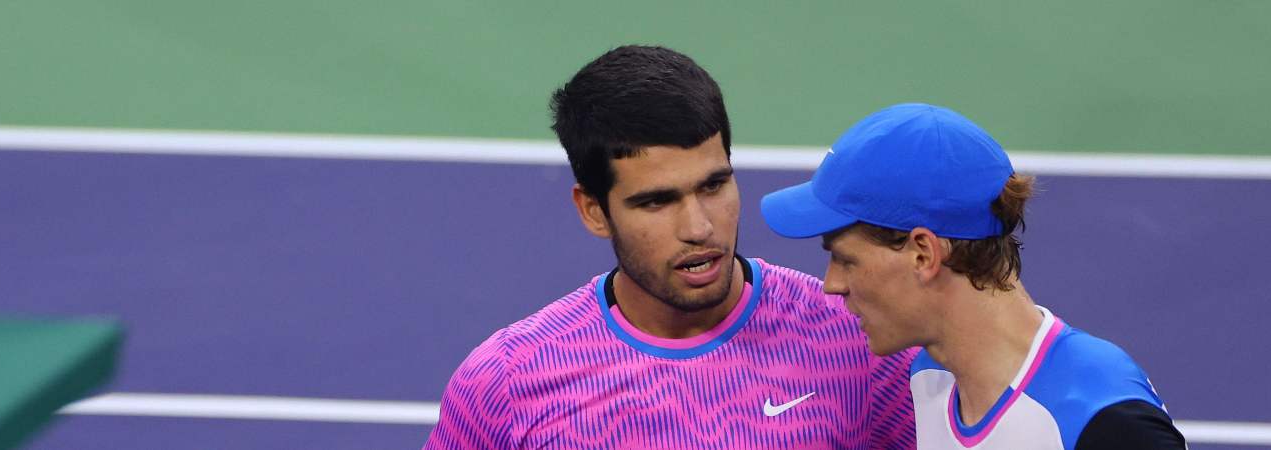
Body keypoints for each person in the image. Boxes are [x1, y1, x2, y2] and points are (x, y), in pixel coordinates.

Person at [424, 46, 916, 449]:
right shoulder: (507, 382)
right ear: (594, 210)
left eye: (713, 186)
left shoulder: (857, 339)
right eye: (657, 201)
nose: (700, 227)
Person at [760, 103, 1187, 449]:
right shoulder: (930, 379)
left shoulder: (1097, 418)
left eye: (845, 260)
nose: (832, 284)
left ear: (923, 253)